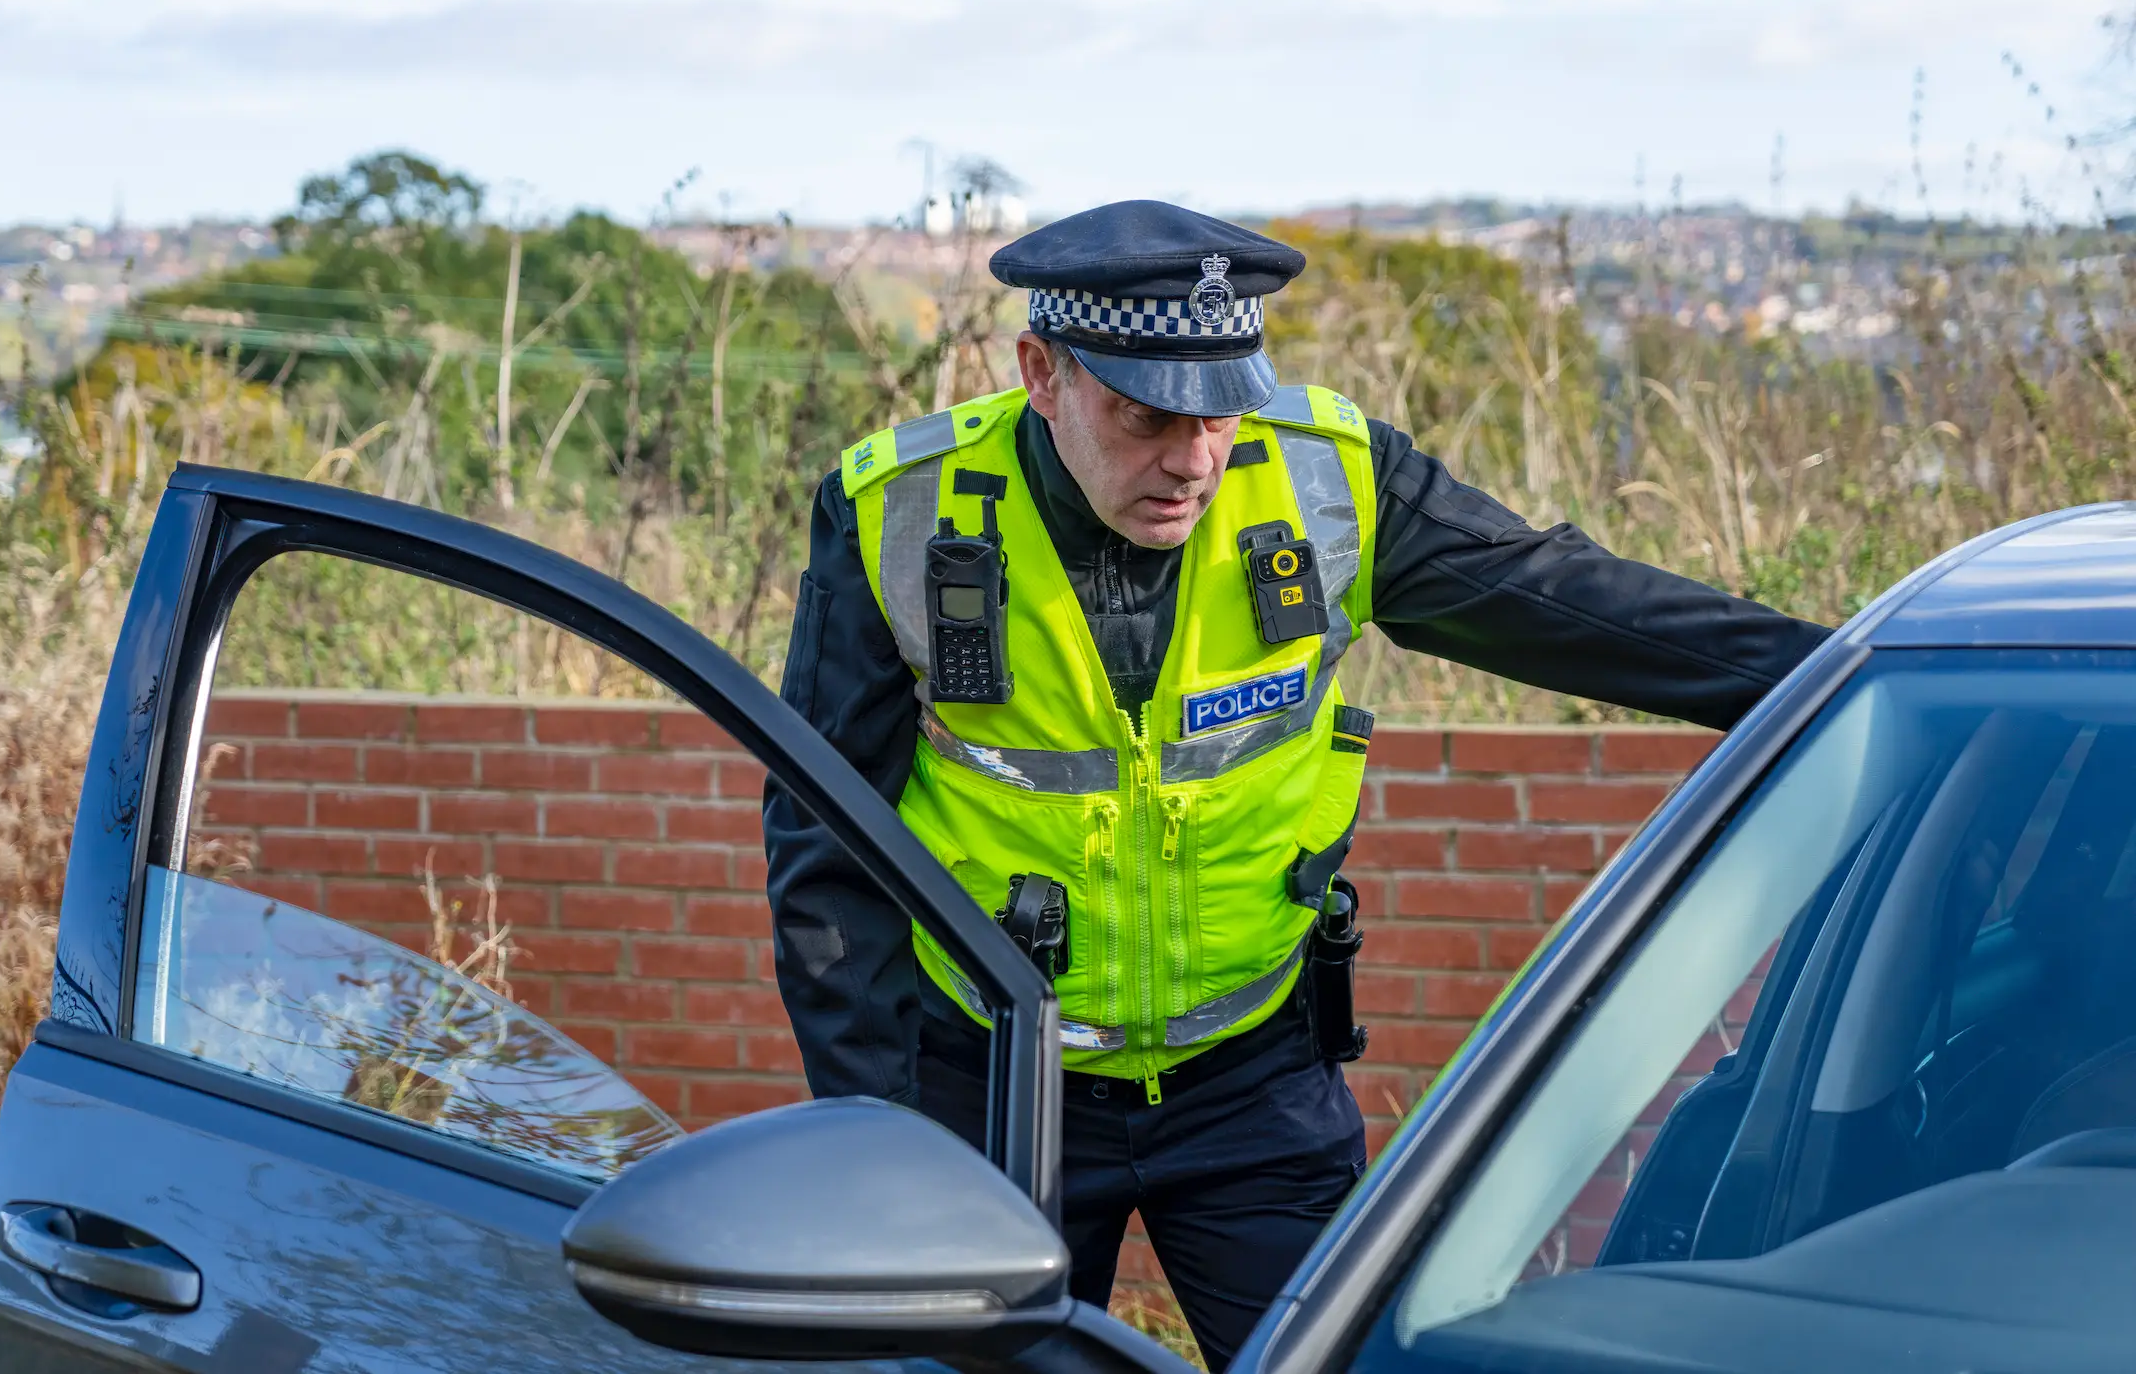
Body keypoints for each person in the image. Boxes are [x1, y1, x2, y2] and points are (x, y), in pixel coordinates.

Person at [760, 200, 1829, 1369]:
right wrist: (879, 1137)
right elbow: (827, 840)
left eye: (1221, 412)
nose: (1194, 459)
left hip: (1251, 1086)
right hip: (990, 1087)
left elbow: (1568, 603)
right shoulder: (897, 511)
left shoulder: (1325, 477)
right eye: (1144, 414)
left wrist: (1850, 668)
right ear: (1041, 373)